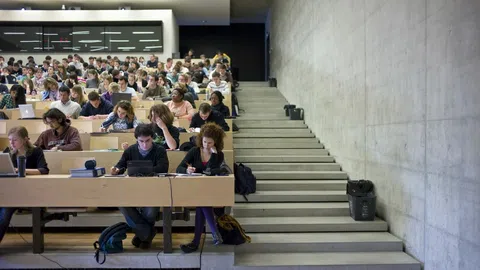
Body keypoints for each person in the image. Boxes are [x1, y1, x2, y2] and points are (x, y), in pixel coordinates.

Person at [112, 124, 169, 249]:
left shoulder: (159, 150)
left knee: (150, 211)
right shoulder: (130, 150)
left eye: (148, 141)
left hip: (154, 191)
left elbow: (163, 168)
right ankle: (148, 234)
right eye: (141, 141)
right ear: (136, 139)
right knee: (121, 203)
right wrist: (116, 169)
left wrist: (141, 170)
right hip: (132, 190)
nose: (144, 144)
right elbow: (120, 166)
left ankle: (142, 235)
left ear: (152, 138)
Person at [177, 123, 226, 253]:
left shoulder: (219, 154)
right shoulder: (194, 151)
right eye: (204, 142)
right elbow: (179, 168)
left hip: (212, 189)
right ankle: (213, 232)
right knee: (202, 201)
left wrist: (214, 155)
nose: (206, 145)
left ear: (216, 142)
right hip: (195, 188)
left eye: (210, 143)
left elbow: (212, 171)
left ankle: (196, 242)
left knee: (202, 201)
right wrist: (187, 170)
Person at [0, 126, 49, 243]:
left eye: (15, 140)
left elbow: (44, 170)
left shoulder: (36, 151)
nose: (11, 143)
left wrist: (21, 170)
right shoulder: (8, 152)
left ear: (25, 139)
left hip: (29, 192)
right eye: (10, 139)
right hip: (10, 192)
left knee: (5, 211)